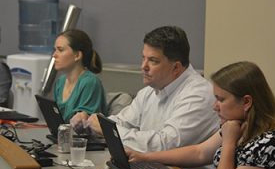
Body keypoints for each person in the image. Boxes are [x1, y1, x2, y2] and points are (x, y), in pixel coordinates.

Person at [126, 61, 275, 169]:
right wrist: (144, 157)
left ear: (246, 101)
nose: (214, 106)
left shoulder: (273, 144)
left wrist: (229, 143)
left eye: (221, 99)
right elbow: (200, 152)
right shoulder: (241, 124)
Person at [71, 26, 219, 152]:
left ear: (176, 67)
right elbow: (123, 122)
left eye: (153, 61)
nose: (143, 67)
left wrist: (107, 130)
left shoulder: (198, 94)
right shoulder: (150, 90)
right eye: (143, 58)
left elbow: (164, 144)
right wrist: (90, 123)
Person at [53, 29, 107, 123]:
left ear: (77, 55)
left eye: (60, 50)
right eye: (55, 50)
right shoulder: (60, 82)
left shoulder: (90, 82)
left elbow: (84, 126)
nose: (54, 55)